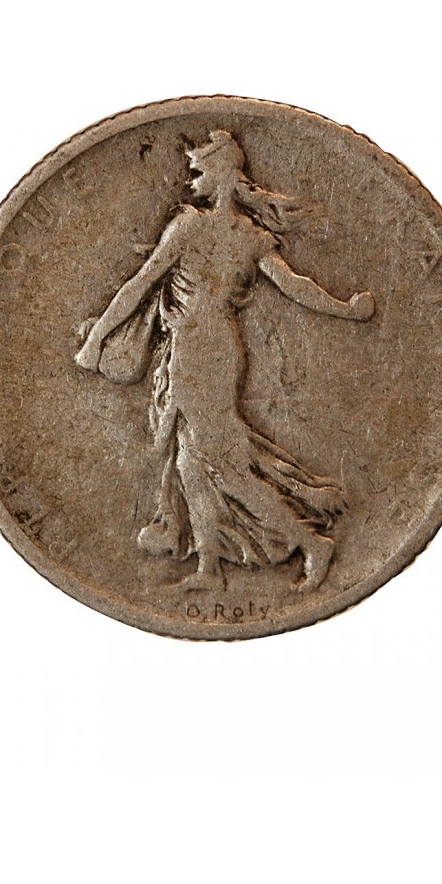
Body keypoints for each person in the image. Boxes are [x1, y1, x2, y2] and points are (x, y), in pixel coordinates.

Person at [75, 130, 375, 593]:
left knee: (223, 464)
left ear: (220, 174)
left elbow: (141, 283)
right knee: (190, 462)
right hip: (215, 344)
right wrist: (344, 308)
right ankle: (209, 567)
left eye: (198, 171)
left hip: (197, 349)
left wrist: (96, 339)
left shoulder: (190, 227)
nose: (191, 180)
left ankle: (311, 543)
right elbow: (295, 285)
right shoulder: (251, 237)